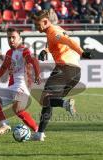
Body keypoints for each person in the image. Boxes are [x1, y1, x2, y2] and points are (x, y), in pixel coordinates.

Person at [31, 10, 92, 141]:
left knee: (45, 98)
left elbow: (68, 41)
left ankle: (65, 104)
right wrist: (45, 50)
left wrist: (83, 53)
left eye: (38, 24)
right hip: (75, 73)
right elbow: (58, 42)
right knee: (49, 101)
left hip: (65, 69)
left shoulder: (53, 32)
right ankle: (40, 134)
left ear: (46, 21)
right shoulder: (55, 30)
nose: (36, 27)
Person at [0, 27, 41, 136]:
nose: (11, 40)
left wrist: (37, 75)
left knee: (17, 110)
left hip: (22, 86)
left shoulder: (24, 51)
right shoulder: (9, 52)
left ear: (19, 38)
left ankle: (38, 131)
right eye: (8, 38)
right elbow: (4, 67)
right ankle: (5, 124)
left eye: (13, 37)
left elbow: (34, 60)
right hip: (11, 87)